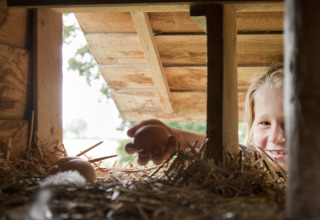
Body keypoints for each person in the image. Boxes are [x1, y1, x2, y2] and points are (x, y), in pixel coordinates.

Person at [125, 63, 286, 172]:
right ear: (252, 125)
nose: (276, 137)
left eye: (292, 123)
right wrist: (171, 136)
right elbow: (223, 148)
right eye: (265, 123)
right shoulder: (253, 161)